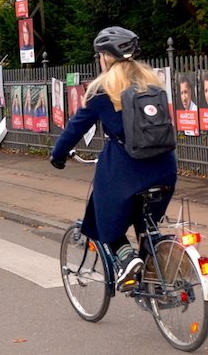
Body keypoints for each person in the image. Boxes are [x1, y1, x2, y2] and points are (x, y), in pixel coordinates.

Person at [48, 27, 177, 288]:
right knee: (147, 227)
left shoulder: (102, 89)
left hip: (125, 171)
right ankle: (155, 275)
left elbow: (75, 127)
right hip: (165, 168)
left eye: (99, 55)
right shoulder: (152, 80)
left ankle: (127, 259)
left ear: (106, 57)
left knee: (100, 214)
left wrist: (58, 155)